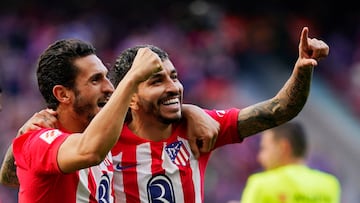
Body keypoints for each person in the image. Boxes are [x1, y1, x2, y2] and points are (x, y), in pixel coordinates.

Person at [107, 26, 330, 202]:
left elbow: (280, 110)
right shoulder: (102, 143)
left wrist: (302, 68)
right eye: (157, 80)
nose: (173, 87)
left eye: (174, 77)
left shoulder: (199, 129)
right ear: (131, 96)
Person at [0, 40, 219, 201]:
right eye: (96, 80)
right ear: (63, 94)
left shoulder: (107, 135)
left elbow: (148, 112)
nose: (109, 87)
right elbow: (89, 151)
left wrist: (191, 111)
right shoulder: (40, 141)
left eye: (106, 76)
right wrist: (133, 77)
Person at [240, 121, 341, 203]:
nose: (260, 157)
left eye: (264, 148)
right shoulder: (330, 185)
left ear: (283, 147)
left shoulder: (261, 184)